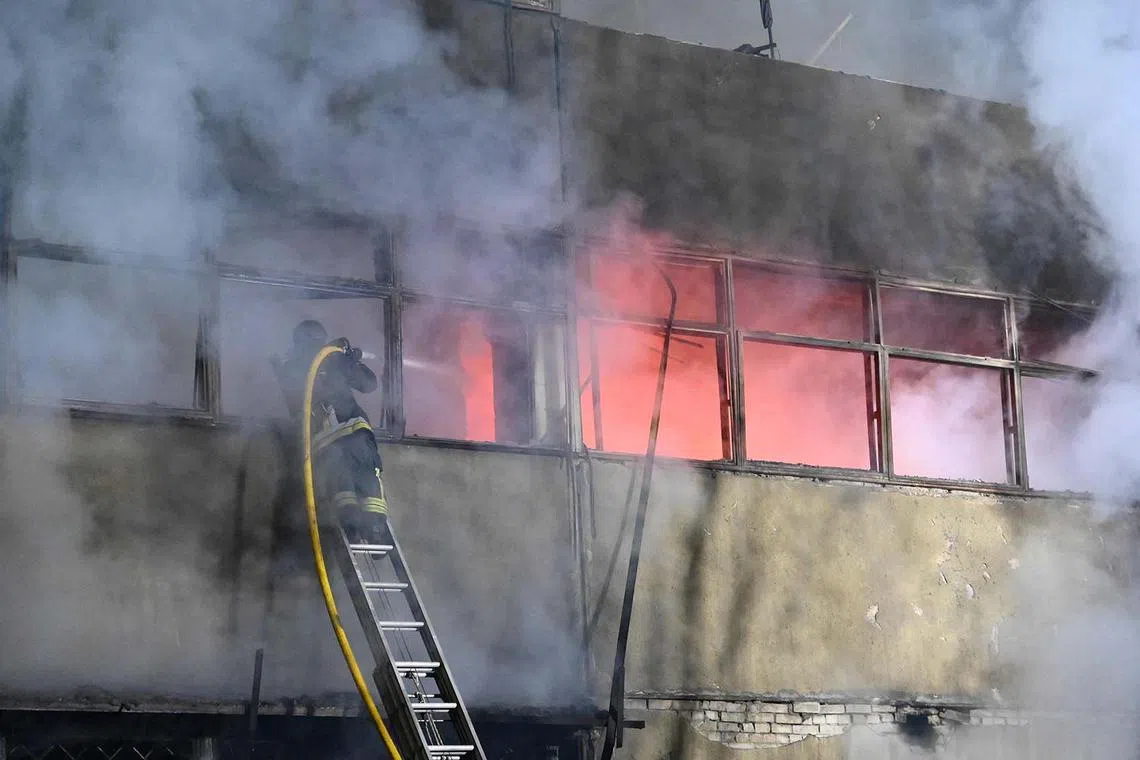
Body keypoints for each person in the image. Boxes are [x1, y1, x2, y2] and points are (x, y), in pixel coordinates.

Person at [273, 319, 388, 542]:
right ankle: (375, 529)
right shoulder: (332, 358)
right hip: (353, 432)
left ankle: (351, 527)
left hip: (323, 443)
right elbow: (369, 384)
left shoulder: (290, 367)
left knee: (341, 483)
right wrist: (351, 359)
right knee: (366, 475)